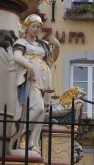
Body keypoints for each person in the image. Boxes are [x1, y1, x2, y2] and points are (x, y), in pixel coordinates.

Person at [11, 14, 59, 154]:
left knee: (42, 111)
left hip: (44, 79)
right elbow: (17, 57)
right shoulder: (21, 42)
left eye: (38, 27)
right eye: (33, 26)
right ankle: (22, 136)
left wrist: (57, 47)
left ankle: (32, 142)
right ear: (27, 27)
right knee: (36, 108)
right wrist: (29, 67)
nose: (36, 29)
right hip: (31, 79)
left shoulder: (42, 45)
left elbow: (51, 61)